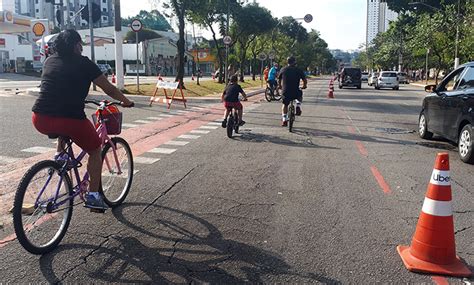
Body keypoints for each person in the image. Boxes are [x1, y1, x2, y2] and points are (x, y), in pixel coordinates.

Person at [31, 29, 134, 212]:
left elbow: (57, 86)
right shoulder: (84, 63)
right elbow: (108, 89)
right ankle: (94, 196)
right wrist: (126, 101)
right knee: (95, 150)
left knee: (63, 129)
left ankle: (60, 156)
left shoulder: (50, 60)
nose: (82, 48)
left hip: (40, 117)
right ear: (76, 45)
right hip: (69, 119)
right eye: (80, 44)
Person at [278, 56, 307, 126]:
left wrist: (280, 86)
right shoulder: (298, 70)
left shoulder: (283, 69)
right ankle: (298, 106)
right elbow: (304, 80)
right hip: (295, 91)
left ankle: (284, 120)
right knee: (300, 95)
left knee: (285, 105)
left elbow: (279, 79)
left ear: (287, 62)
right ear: (294, 62)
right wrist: (304, 86)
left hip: (286, 91)